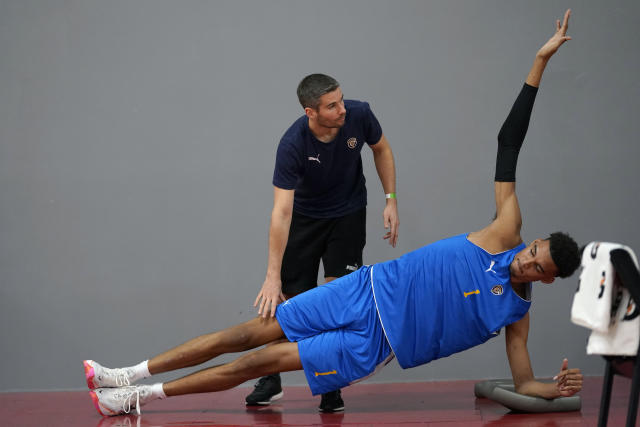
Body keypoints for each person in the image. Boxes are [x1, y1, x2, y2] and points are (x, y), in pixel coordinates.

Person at [84, 9, 583, 417]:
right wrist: (539, 63)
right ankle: (127, 373)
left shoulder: (516, 314)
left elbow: (524, 381)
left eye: (540, 269)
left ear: (549, 280)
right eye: (534, 251)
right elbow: (508, 143)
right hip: (364, 290)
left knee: (258, 361)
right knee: (243, 334)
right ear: (532, 240)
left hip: (372, 343)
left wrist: (553, 389)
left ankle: (134, 399)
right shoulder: (504, 234)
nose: (528, 262)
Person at [249, 71, 399, 412]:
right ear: (310, 112)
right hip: (304, 219)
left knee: (337, 300)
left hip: (347, 214)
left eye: (341, 100)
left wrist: (390, 199)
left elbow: (382, 149)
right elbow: (281, 212)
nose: (342, 109)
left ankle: (331, 381)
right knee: (288, 302)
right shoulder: (292, 144)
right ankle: (271, 378)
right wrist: (272, 275)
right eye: (332, 106)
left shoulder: (359, 115)